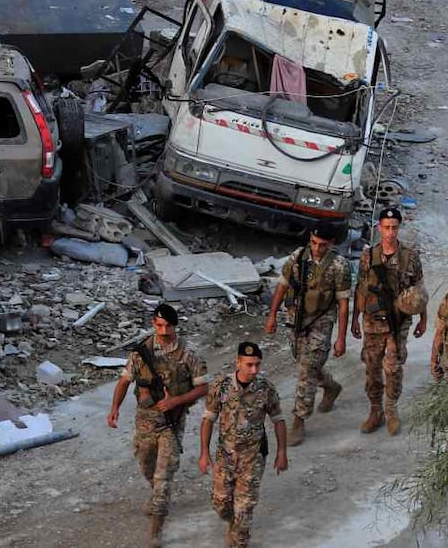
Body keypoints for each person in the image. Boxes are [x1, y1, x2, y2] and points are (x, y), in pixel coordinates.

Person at [107, 303, 208, 547]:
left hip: (171, 423)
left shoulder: (188, 354)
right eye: (159, 325)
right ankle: (157, 495)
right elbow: (124, 382)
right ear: (153, 323)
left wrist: (177, 401)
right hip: (145, 421)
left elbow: (203, 387)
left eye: (168, 326)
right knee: (145, 464)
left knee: (164, 475)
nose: (163, 331)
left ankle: (156, 528)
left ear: (175, 325)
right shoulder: (141, 353)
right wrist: (114, 410)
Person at [264, 225, 351, 446]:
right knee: (305, 363)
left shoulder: (339, 266)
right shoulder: (298, 257)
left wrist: (341, 338)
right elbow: (282, 287)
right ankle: (330, 386)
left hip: (322, 321)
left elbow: (342, 304)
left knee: (306, 370)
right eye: (313, 242)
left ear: (331, 243)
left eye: (323, 244)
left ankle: (299, 420)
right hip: (297, 320)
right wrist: (272, 316)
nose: (317, 248)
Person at [199, 342, 287, 548]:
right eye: (249, 365)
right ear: (238, 363)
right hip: (225, 457)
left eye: (257, 365)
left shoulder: (265, 388)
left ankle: (239, 537)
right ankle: (233, 522)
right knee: (221, 504)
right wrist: (204, 453)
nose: (253, 370)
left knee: (245, 509)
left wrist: (282, 452)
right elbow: (208, 420)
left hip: (253, 457)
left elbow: (278, 419)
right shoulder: (221, 387)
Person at [350, 207, 427, 436]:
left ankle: (391, 409)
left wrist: (423, 319)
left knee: (393, 367)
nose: (390, 232)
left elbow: (419, 291)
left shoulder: (410, 257)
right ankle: (375, 411)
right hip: (372, 321)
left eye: (394, 228)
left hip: (398, 321)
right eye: (386, 228)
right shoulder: (368, 256)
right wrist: (355, 317)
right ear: (379, 228)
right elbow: (361, 288)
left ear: (399, 228)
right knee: (372, 367)